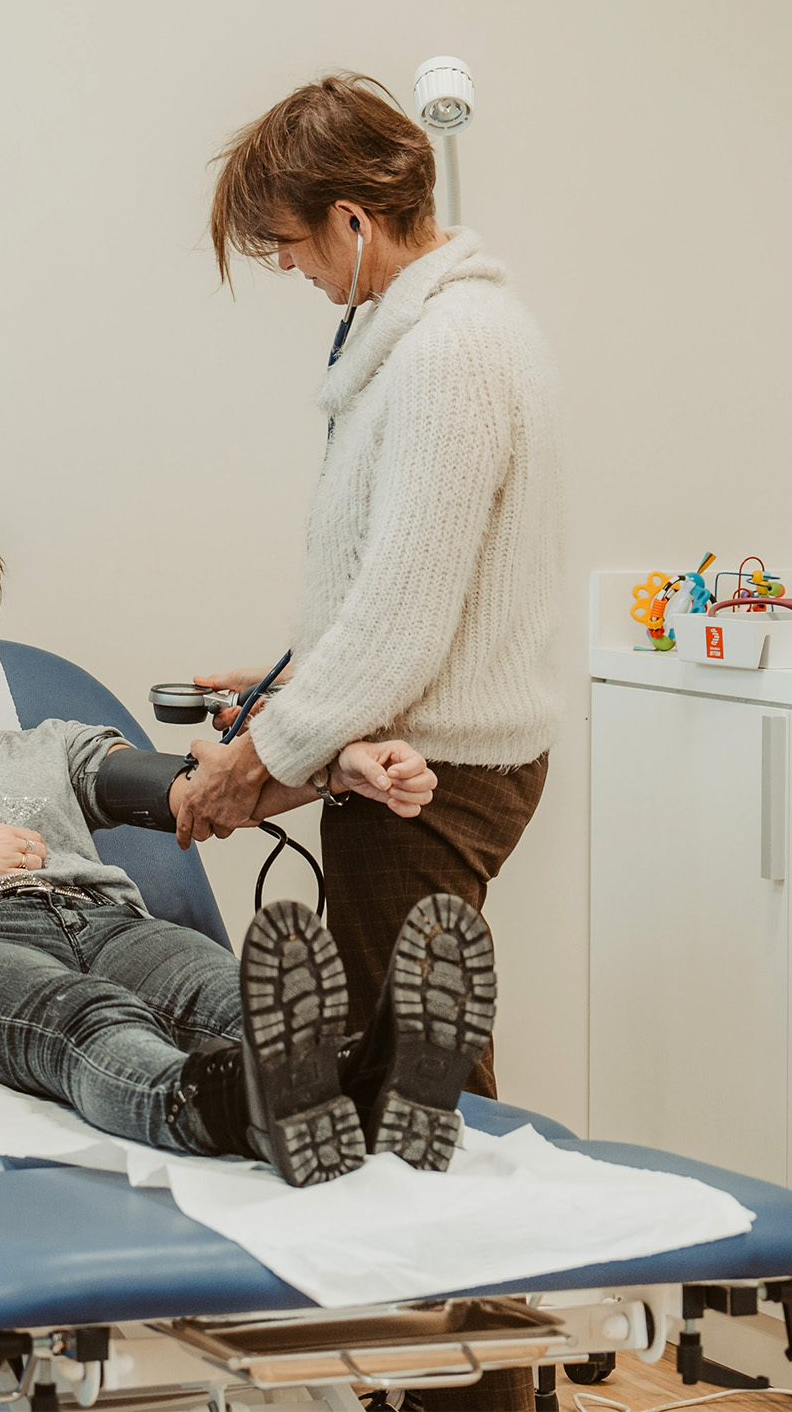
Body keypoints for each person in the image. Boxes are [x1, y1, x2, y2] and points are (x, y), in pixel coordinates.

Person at [0, 504, 498, 1188]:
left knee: (224, 992)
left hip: (106, 923)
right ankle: (224, 1110)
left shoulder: (54, 744)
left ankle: (371, 1079)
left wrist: (335, 770)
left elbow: (198, 791)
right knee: (86, 1017)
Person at [184, 71, 561, 1410]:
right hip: (423, 750)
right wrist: (292, 682)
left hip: (432, 775)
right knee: (420, 1065)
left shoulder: (451, 353)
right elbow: (388, 588)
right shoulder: (421, 341)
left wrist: (260, 758)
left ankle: (474, 1390)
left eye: (289, 244)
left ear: (353, 219)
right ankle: (465, 1380)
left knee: (424, 1092)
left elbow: (404, 618)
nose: (289, 269)